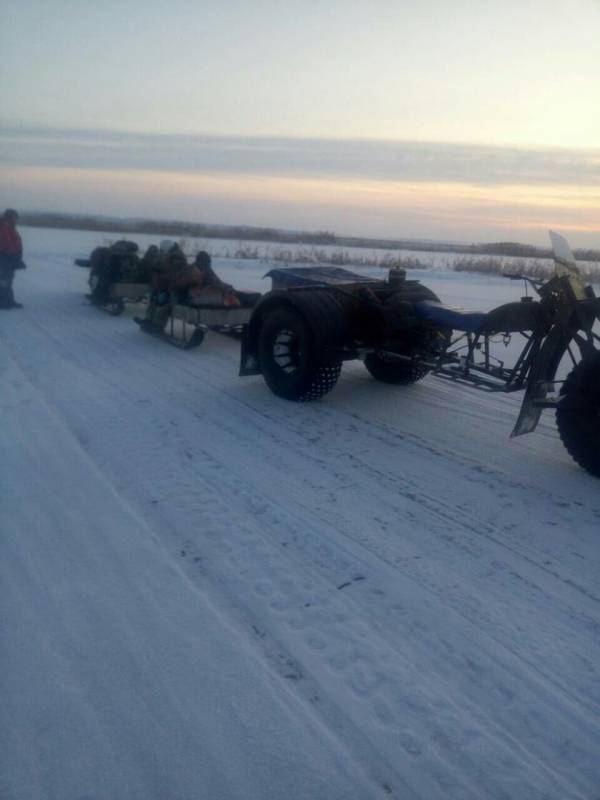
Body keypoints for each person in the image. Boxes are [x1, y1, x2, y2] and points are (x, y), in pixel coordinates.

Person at [0, 208, 26, 309]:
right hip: (5, 258)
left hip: (10, 259)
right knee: (4, 281)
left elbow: (14, 243)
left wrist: (17, 259)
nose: (16, 220)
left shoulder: (9, 227)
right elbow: (6, 244)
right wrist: (13, 255)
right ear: (9, 217)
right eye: (15, 218)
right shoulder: (3, 227)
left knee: (8, 280)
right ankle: (3, 302)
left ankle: (9, 301)